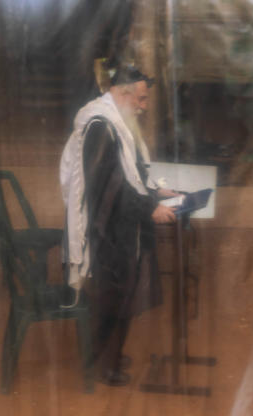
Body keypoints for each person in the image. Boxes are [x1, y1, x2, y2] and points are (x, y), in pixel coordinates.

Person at [60, 65, 178, 386]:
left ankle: (108, 357)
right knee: (111, 299)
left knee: (120, 297)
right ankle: (102, 365)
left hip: (117, 225)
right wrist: (148, 208)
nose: (144, 106)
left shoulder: (117, 124)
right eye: (140, 99)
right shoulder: (101, 126)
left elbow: (131, 175)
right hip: (104, 232)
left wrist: (155, 192)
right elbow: (108, 186)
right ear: (122, 93)